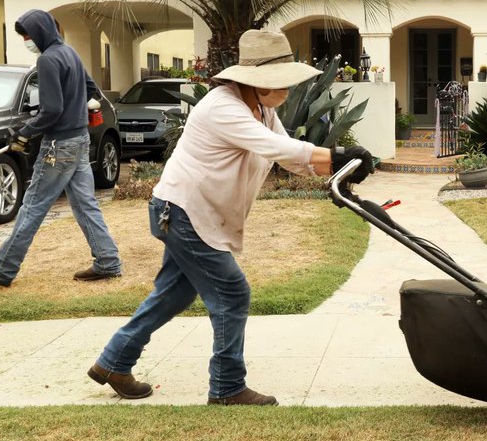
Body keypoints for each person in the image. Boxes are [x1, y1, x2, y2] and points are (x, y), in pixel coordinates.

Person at [88, 29, 373, 405]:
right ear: (252, 81)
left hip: (191, 211)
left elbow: (287, 156)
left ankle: (113, 361)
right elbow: (275, 146)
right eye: (278, 81)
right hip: (184, 211)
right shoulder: (223, 107)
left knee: (173, 295)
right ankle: (226, 387)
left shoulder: (263, 110)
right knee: (232, 292)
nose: (286, 89)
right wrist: (336, 154)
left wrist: (338, 171)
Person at [0, 9, 122, 287]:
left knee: (33, 206)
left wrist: (24, 133)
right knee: (86, 205)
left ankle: (3, 267)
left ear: (40, 32)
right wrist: (80, 108)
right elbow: (92, 89)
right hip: (79, 141)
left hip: (59, 146)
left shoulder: (48, 60)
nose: (26, 39)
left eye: (27, 34)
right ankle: (108, 262)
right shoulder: (70, 52)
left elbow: (51, 110)